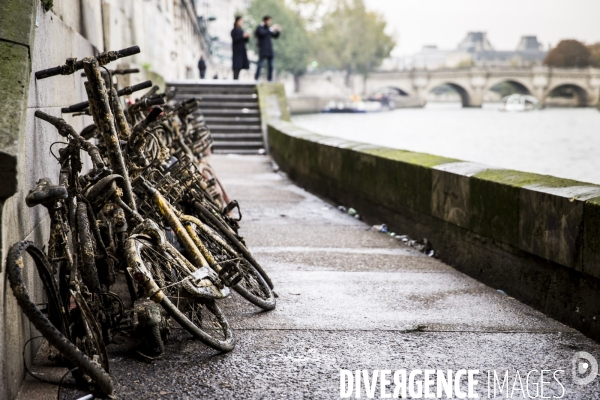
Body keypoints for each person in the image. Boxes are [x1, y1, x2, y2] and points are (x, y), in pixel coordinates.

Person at [254, 15, 281, 81]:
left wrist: (278, 31)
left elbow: (275, 36)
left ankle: (270, 79)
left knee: (271, 66)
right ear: (265, 20)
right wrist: (271, 29)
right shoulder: (260, 28)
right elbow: (262, 33)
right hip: (263, 49)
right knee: (260, 65)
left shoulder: (268, 29)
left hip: (269, 50)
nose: (269, 22)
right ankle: (256, 78)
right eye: (269, 21)